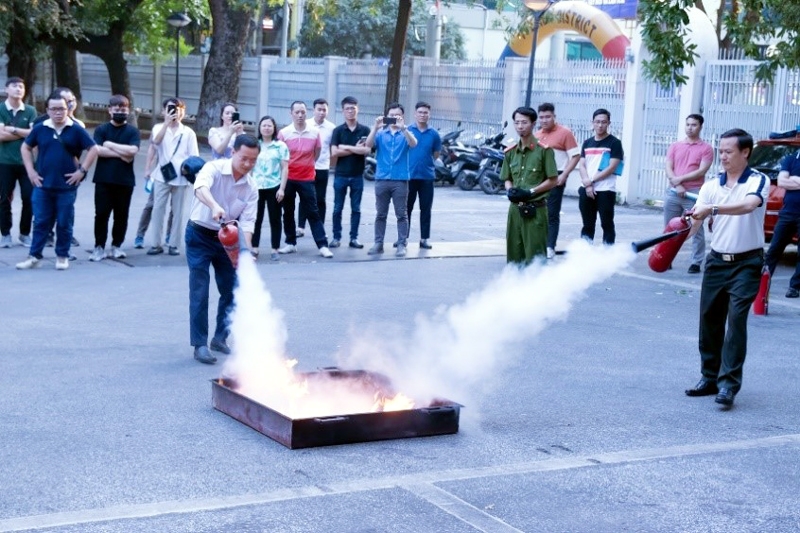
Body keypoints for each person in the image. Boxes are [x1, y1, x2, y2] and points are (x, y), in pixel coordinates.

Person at [684, 128, 768, 408]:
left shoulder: (758, 181)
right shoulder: (710, 186)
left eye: (728, 151)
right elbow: (696, 222)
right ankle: (709, 377)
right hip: (718, 261)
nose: (723, 156)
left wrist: (713, 210)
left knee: (736, 321)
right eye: (720, 151)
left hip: (747, 262)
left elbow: (748, 206)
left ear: (745, 152)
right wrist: (685, 225)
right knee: (709, 319)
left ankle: (728, 385)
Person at [186, 134, 259, 365]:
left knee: (231, 289)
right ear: (233, 152)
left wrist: (245, 252)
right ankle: (199, 345)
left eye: (253, 160)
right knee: (200, 289)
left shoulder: (251, 187)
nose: (248, 164)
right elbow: (200, 187)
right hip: (199, 234)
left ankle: (220, 338)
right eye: (244, 158)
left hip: (228, 239)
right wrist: (214, 205)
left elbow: (247, 223)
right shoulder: (214, 168)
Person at [16, 90, 98, 270]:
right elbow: (25, 147)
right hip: (42, 184)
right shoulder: (40, 128)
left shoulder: (75, 128)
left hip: (67, 186)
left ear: (67, 108)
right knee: (40, 222)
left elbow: (93, 149)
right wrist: (30, 172)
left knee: (64, 222)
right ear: (47, 110)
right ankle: (34, 257)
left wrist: (82, 171)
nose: (58, 112)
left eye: (61, 108)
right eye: (54, 109)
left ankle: (62, 256)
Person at [502, 106, 558, 265]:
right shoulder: (510, 152)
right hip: (515, 211)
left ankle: (537, 289)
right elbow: (506, 177)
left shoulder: (543, 151)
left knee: (535, 257)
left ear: (533, 124)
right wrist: (510, 190)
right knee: (514, 254)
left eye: (524, 122)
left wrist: (530, 192)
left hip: (536, 210)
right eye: (517, 122)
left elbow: (553, 180)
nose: (520, 126)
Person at [277, 101, 333, 258]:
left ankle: (322, 245)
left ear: (306, 113)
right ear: (291, 114)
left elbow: (317, 152)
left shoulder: (314, 132)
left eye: (303, 112)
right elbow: (280, 157)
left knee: (313, 211)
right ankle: (290, 243)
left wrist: (307, 165)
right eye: (297, 112)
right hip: (288, 178)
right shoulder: (284, 133)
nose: (300, 115)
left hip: (307, 178)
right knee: (288, 211)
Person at [88, 95, 141, 261]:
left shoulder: (133, 131)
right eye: (117, 109)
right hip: (103, 179)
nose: (120, 112)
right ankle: (99, 247)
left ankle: (116, 246)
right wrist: (123, 153)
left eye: (123, 110)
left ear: (128, 111)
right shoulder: (101, 130)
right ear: (109, 110)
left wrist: (109, 145)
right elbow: (97, 150)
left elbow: (132, 152)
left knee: (121, 215)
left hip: (125, 181)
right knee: (101, 214)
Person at [146, 97, 199, 256]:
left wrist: (188, 170)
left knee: (178, 211)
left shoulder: (188, 132)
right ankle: (156, 243)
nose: (175, 112)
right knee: (157, 209)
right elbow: (155, 143)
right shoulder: (158, 128)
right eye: (170, 108)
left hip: (182, 177)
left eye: (179, 109)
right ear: (163, 111)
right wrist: (167, 123)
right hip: (162, 175)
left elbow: (194, 156)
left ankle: (174, 244)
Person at [365, 103, 417, 257]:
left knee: (401, 214)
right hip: (382, 179)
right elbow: (368, 145)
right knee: (381, 214)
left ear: (402, 116)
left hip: (400, 180)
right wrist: (375, 128)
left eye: (398, 115)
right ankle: (378, 243)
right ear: (387, 116)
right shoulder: (381, 133)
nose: (394, 118)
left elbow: (414, 144)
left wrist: (403, 128)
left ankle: (402, 243)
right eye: (391, 115)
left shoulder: (406, 132)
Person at [664, 114, 714, 273]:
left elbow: (701, 171)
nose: (690, 128)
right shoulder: (675, 146)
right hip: (674, 191)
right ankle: (666, 257)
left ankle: (696, 262)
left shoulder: (706, 148)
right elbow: (668, 167)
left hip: (693, 193)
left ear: (700, 127)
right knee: (669, 227)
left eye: (693, 125)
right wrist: (676, 183)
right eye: (687, 124)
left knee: (696, 228)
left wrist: (679, 180)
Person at [533, 102, 580, 259]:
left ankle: (550, 246)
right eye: (541, 117)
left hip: (556, 176)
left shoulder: (565, 133)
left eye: (548, 117)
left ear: (554, 116)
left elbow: (575, 156)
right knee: (537, 212)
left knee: (552, 213)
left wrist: (564, 175)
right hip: (539, 177)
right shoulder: (537, 135)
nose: (545, 120)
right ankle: (537, 244)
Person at [577, 108, 623, 245]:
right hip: (586, 189)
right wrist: (587, 183)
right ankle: (585, 252)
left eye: (603, 122)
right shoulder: (587, 142)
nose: (600, 125)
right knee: (587, 224)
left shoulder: (614, 143)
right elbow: (582, 164)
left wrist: (591, 181)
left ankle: (607, 254)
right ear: (592, 123)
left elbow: (612, 167)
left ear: (609, 123)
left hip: (605, 190)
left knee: (606, 223)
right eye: (597, 122)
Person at [329, 96, 371, 249]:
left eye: (353, 108)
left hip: (357, 176)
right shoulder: (338, 130)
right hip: (340, 175)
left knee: (356, 209)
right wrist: (355, 149)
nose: (350, 111)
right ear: (343, 111)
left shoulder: (365, 130)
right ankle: (336, 237)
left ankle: (354, 238)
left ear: (357, 109)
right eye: (347, 108)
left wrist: (346, 147)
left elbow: (366, 150)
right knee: (337, 208)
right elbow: (334, 152)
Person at [0, 77, 37, 248]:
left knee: (29, 198)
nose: (18, 89)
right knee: (4, 198)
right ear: (6, 89)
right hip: (4, 162)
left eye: (21, 86)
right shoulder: (0, 109)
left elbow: (34, 134)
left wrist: (11, 129)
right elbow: (0, 136)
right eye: (14, 86)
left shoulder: (30, 110)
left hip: (26, 163)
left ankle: (24, 233)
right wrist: (24, 133)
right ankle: (5, 233)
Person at [764, 148, 800, 298]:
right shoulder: (790, 158)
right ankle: (761, 282)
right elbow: (781, 181)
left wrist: (793, 179)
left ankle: (795, 287)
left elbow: (786, 181)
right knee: (774, 249)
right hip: (787, 213)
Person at [252, 115, 289, 261]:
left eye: (269, 125)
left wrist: (282, 188)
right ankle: (254, 248)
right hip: (256, 186)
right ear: (259, 128)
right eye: (264, 125)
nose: (266, 128)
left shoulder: (281, 146)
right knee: (256, 219)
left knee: (275, 219)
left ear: (274, 128)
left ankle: (275, 248)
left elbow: (285, 168)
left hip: (274, 186)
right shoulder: (254, 144)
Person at [406, 101, 442, 249]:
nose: (422, 115)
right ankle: (403, 238)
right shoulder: (407, 130)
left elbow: (436, 153)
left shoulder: (434, 134)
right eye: (420, 112)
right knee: (406, 209)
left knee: (426, 209)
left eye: (425, 112)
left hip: (427, 177)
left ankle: (424, 238)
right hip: (409, 176)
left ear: (429, 115)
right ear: (415, 114)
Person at [297, 98, 335, 236]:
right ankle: (300, 227)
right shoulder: (305, 125)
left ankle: (321, 226)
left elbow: (332, 147)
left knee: (320, 198)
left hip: (323, 167)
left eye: (324, 110)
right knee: (304, 197)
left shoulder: (331, 128)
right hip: (306, 167)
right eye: (319, 109)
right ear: (314, 110)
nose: (321, 112)